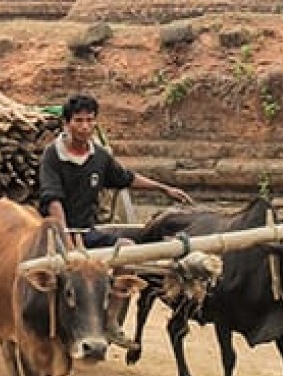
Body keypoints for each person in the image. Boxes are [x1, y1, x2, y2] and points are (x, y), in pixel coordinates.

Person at [38, 93, 194, 347]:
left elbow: (126, 178)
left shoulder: (99, 156)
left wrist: (164, 189)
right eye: (79, 121)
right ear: (66, 123)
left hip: (87, 233)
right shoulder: (52, 156)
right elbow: (53, 200)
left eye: (90, 120)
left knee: (129, 251)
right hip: (52, 233)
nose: (85, 126)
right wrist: (66, 242)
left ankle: (111, 321)